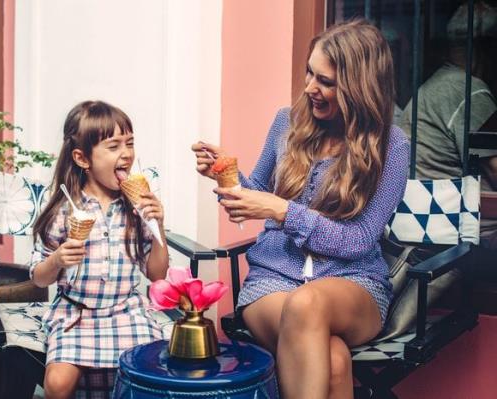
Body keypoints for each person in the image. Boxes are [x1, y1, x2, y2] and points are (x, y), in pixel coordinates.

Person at [192, 20, 409, 399]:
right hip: (273, 280)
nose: (310, 87)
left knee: (308, 303)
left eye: (325, 81)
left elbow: (358, 240)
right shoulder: (286, 122)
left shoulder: (390, 145)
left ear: (359, 86)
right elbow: (255, 193)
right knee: (335, 359)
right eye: (309, 72)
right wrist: (226, 177)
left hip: (353, 282)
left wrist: (281, 211)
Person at [30, 101, 169, 399]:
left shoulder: (137, 207)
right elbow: (40, 278)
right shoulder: (63, 209)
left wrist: (158, 225)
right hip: (76, 314)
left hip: (127, 311)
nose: (127, 154)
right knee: (57, 383)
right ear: (82, 158)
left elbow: (158, 274)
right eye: (114, 146)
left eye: (129, 144)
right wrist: (56, 260)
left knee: (154, 377)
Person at [400, 1, 497, 248]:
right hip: (459, 237)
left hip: (423, 229)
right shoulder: (470, 92)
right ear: (484, 48)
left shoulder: (437, 84)